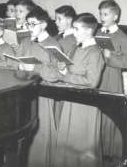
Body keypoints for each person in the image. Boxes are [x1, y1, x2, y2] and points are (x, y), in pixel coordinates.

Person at [50, 13, 104, 167]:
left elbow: (92, 82)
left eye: (76, 29)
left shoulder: (95, 52)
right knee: (68, 139)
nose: (73, 32)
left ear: (88, 31)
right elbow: (72, 69)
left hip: (85, 103)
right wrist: (63, 67)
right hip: (72, 98)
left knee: (82, 143)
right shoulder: (76, 46)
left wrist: (66, 76)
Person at [15, 6, 60, 167]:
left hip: (43, 94)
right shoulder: (25, 41)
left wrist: (35, 68)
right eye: (27, 24)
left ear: (44, 24)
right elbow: (16, 61)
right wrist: (18, 66)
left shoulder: (53, 45)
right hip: (23, 92)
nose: (29, 28)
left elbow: (56, 74)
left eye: (32, 24)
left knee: (41, 134)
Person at [97, 0, 127, 160]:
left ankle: (109, 152)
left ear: (116, 16)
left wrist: (110, 57)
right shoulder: (99, 32)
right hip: (96, 77)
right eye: (100, 13)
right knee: (96, 113)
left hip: (111, 79)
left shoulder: (122, 37)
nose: (102, 17)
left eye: (105, 14)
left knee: (109, 116)